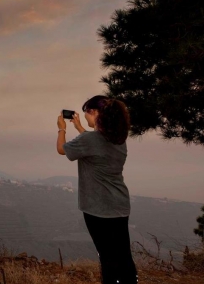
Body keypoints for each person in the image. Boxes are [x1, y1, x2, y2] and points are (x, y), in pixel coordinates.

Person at [56, 95, 137, 284]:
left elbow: (62, 149)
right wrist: (79, 128)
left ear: (94, 112)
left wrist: (62, 128)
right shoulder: (118, 139)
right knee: (123, 255)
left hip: (98, 208)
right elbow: (94, 144)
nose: (84, 117)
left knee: (107, 256)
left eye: (86, 113)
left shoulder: (90, 139)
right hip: (119, 205)